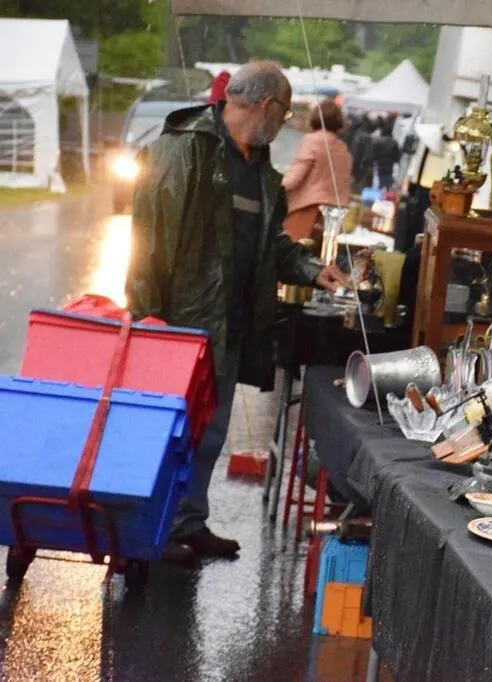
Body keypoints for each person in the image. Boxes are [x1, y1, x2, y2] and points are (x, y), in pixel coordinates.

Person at [127, 61, 347, 561]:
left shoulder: (259, 169)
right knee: (166, 431)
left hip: (228, 327)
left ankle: (186, 522)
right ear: (267, 105)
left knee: (209, 433)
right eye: (284, 113)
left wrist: (312, 268)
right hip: (179, 325)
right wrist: (147, 322)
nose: (284, 123)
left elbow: (271, 243)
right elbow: (147, 244)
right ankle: (148, 529)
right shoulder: (184, 151)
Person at [281, 100, 353, 243]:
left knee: (293, 251)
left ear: (314, 118)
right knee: (320, 254)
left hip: (308, 209)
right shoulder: (343, 148)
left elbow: (295, 177)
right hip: (333, 216)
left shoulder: (312, 140)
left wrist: (273, 185)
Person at [370, 116, 402, 191]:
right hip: (389, 165)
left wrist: (372, 162)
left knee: (379, 178)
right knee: (388, 178)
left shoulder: (376, 141)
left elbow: (372, 153)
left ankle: (380, 189)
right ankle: (386, 191)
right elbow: (397, 154)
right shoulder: (393, 142)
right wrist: (397, 161)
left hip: (379, 164)